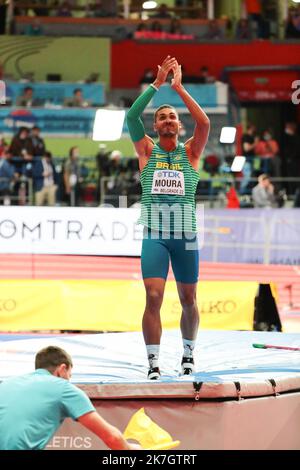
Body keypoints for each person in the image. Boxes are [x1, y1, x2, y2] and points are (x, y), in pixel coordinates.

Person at [126, 56, 210, 380]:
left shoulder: (191, 152)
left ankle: (188, 353)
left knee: (189, 298)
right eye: (162, 117)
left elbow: (204, 124)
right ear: (156, 126)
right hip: (156, 234)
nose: (168, 119)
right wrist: (157, 84)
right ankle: (153, 363)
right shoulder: (147, 151)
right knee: (153, 296)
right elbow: (132, 115)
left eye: (173, 116)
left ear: (179, 124)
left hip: (186, 236)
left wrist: (179, 88)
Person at [0, 346, 141, 450]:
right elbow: (111, 437)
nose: (69, 380)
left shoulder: (6, 384)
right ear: (62, 369)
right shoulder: (63, 388)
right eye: (70, 375)